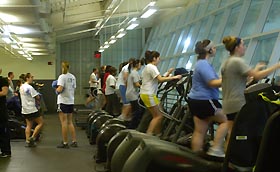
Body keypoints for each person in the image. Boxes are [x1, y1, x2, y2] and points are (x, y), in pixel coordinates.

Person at [221, 36, 280, 150]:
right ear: (237, 47)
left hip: (228, 103)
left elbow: (246, 79)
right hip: (238, 103)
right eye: (243, 45)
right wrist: (276, 66)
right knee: (247, 132)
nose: (245, 47)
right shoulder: (237, 61)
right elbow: (256, 76)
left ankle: (227, 160)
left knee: (232, 134)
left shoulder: (227, 62)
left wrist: (257, 69)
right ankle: (243, 158)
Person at [187, 40, 228, 157]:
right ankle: (216, 148)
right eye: (214, 47)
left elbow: (214, 79)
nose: (215, 49)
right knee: (227, 120)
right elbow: (212, 82)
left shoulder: (200, 63)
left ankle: (195, 157)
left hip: (195, 100)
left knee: (199, 131)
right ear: (208, 50)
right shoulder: (204, 64)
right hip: (205, 100)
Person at [140, 50, 182, 135]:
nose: (160, 60)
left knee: (158, 114)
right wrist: (174, 77)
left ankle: (158, 134)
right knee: (158, 116)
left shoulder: (147, 67)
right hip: (149, 94)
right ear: (154, 58)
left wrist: (168, 74)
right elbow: (160, 79)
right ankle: (149, 134)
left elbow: (157, 81)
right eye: (159, 58)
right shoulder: (152, 67)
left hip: (146, 94)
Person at [55, 61, 77, 148]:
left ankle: (65, 142)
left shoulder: (62, 77)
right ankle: (74, 141)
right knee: (70, 122)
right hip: (70, 101)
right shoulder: (73, 77)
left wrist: (56, 89)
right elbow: (73, 88)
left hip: (63, 101)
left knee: (63, 123)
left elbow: (60, 89)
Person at [20, 73, 44, 147]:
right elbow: (37, 97)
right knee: (41, 123)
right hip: (31, 109)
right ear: (27, 78)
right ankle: (32, 138)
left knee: (29, 125)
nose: (32, 79)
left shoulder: (21, 87)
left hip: (24, 109)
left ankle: (27, 141)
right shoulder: (30, 88)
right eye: (31, 77)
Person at [125, 59, 145, 129]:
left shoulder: (132, 73)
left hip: (130, 93)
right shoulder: (135, 73)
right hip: (132, 94)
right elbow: (136, 84)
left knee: (135, 110)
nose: (141, 66)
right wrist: (144, 87)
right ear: (137, 64)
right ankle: (132, 126)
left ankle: (131, 124)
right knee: (137, 111)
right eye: (140, 64)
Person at [0, 68, 11, 157]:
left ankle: (6, 151)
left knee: (3, 130)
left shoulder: (3, 80)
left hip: (1, 110)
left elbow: (4, 92)